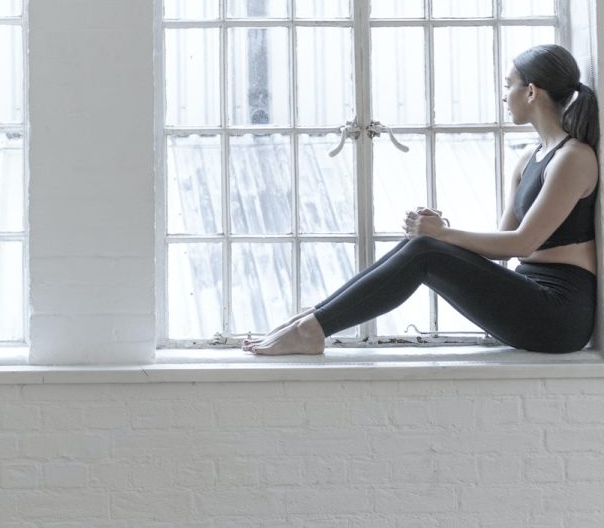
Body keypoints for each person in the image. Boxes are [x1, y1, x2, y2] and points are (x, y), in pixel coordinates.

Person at [242, 44, 599, 356]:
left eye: (508, 87)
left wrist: (442, 235)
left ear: (532, 92)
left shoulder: (574, 157)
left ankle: (312, 329)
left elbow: (522, 244)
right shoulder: (529, 159)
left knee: (427, 250)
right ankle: (311, 319)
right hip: (530, 296)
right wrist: (438, 232)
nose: (504, 96)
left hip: (559, 314)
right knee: (424, 245)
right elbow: (501, 244)